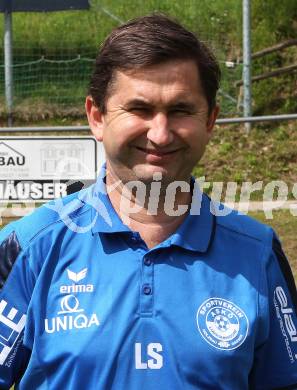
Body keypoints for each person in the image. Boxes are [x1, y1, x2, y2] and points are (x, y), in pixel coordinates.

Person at [0, 14, 297, 390]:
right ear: (97, 117)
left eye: (181, 110)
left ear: (210, 121)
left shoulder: (258, 254)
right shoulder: (29, 247)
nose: (160, 133)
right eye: (139, 109)